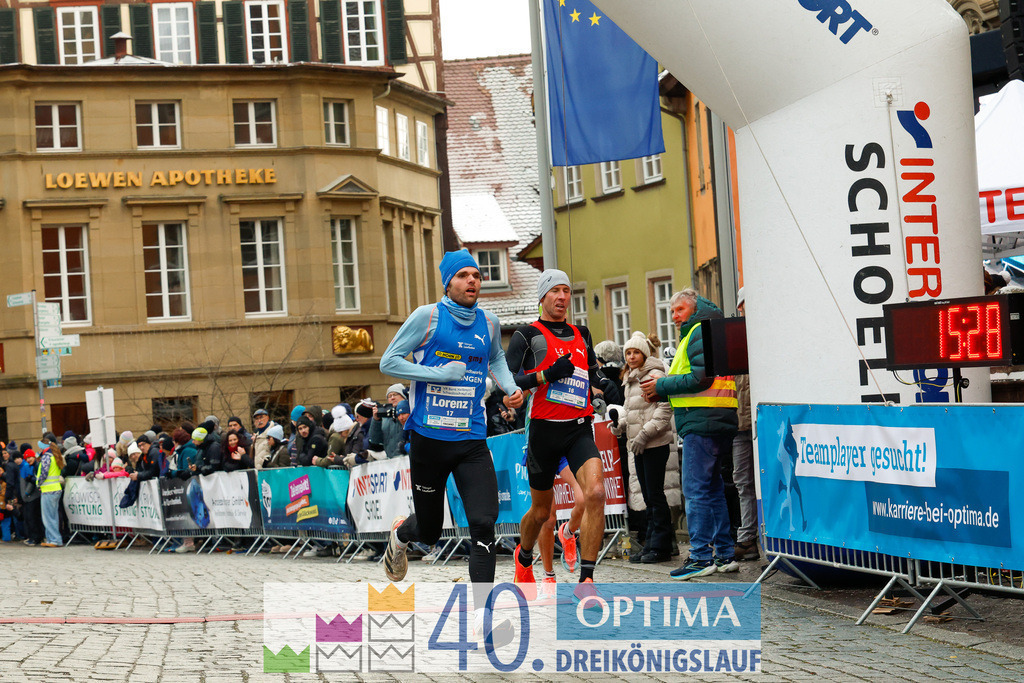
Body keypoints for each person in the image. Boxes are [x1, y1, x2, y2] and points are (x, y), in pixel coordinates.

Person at [379, 249, 524, 643]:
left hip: (472, 440)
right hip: (428, 440)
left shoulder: (490, 323)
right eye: (463, 275)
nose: (472, 281)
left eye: (476, 275)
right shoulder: (428, 317)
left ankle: (482, 617)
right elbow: (388, 362)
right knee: (429, 531)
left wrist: (511, 389)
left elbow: (496, 359)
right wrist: (435, 373)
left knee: (483, 522)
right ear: (448, 282)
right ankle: (400, 537)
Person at [504, 269, 606, 601]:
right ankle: (524, 556)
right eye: (555, 291)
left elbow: (590, 372)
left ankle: (586, 580)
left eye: (566, 291)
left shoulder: (582, 333)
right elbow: (506, 381)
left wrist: (604, 385)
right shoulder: (526, 335)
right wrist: (546, 375)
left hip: (578, 429)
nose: (562, 297)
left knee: (595, 493)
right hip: (543, 433)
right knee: (541, 512)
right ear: (543, 297)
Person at [641, 288, 739, 580]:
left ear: (693, 309)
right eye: (672, 311)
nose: (674, 316)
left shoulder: (697, 331)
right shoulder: (710, 328)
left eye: (679, 310)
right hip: (718, 417)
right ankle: (724, 554)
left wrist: (662, 386)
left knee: (696, 490)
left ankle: (699, 557)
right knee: (713, 489)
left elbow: (699, 378)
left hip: (702, 420)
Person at [612, 331, 676, 563]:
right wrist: (619, 425)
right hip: (638, 444)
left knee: (655, 496)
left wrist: (644, 434)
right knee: (649, 497)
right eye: (628, 352)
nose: (631, 356)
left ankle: (662, 547)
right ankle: (652, 543)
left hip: (653, 443)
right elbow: (631, 411)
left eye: (636, 352)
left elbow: (664, 410)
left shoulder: (654, 374)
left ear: (644, 353)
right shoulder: (630, 377)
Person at [732, 287, 759, 561]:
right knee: (742, 481)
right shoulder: (734, 337)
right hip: (739, 423)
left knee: (767, 479)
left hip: (762, 421)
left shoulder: (767, 335)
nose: (745, 309)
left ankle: (764, 536)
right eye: (743, 305)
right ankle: (747, 537)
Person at [36, 436, 65, 548]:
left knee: (48, 517)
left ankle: (54, 539)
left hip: (48, 490)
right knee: (53, 516)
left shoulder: (46, 457)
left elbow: (43, 473)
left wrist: (38, 483)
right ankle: (51, 539)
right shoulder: (54, 456)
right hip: (55, 488)